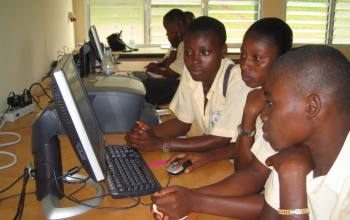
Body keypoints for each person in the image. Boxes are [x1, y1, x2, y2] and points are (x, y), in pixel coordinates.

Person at [166, 17, 293, 173]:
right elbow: (241, 150)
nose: (244, 65)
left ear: (282, 60)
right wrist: (209, 156)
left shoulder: (286, 110)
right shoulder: (259, 95)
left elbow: (249, 175)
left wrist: (250, 113)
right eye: (243, 55)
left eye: (256, 58)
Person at [125, 16, 259, 153]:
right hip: (214, 155)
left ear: (223, 51)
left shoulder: (238, 80)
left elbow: (220, 139)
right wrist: (144, 134)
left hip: (237, 159)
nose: (195, 60)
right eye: (188, 52)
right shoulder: (191, 74)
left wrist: (160, 144)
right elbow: (182, 123)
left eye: (204, 52)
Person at [256, 45, 350, 219]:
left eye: (270, 103)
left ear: (311, 107)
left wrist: (292, 177)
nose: (263, 115)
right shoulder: (292, 155)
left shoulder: (292, 164)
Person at [143, 8, 186, 105]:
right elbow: (167, 64)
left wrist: (174, 47)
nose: (167, 33)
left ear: (179, 25)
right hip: (177, 86)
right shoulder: (181, 42)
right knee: (146, 84)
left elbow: (170, 76)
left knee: (147, 85)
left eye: (168, 29)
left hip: (183, 89)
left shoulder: (189, 44)